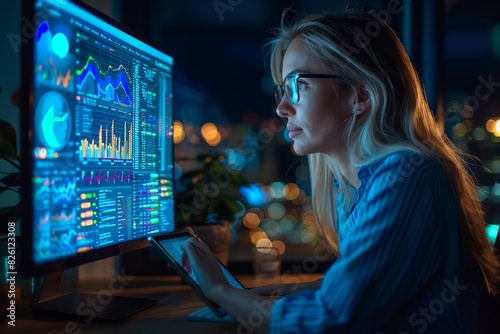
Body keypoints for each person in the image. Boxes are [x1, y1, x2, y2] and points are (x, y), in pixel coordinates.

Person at [181, 9, 500, 333]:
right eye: (281, 90)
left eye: (298, 85)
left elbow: (333, 321)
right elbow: (378, 286)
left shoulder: (406, 175)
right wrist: (299, 291)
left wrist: (219, 291)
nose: (281, 108)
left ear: (360, 94)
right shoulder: (353, 184)